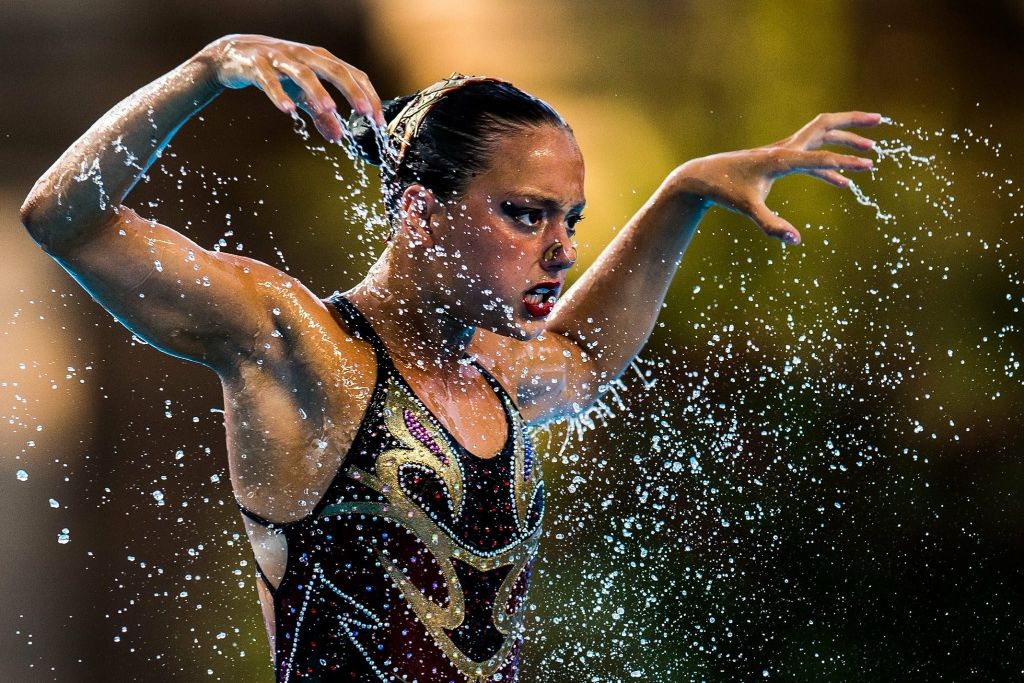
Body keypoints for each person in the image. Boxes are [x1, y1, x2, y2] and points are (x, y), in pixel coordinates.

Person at [19, 33, 879, 682]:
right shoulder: (304, 351)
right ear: (423, 211)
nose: (561, 251)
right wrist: (205, 73)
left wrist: (683, 192)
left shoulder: (498, 376)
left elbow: (583, 351)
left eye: (570, 221)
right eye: (524, 213)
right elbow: (65, 220)